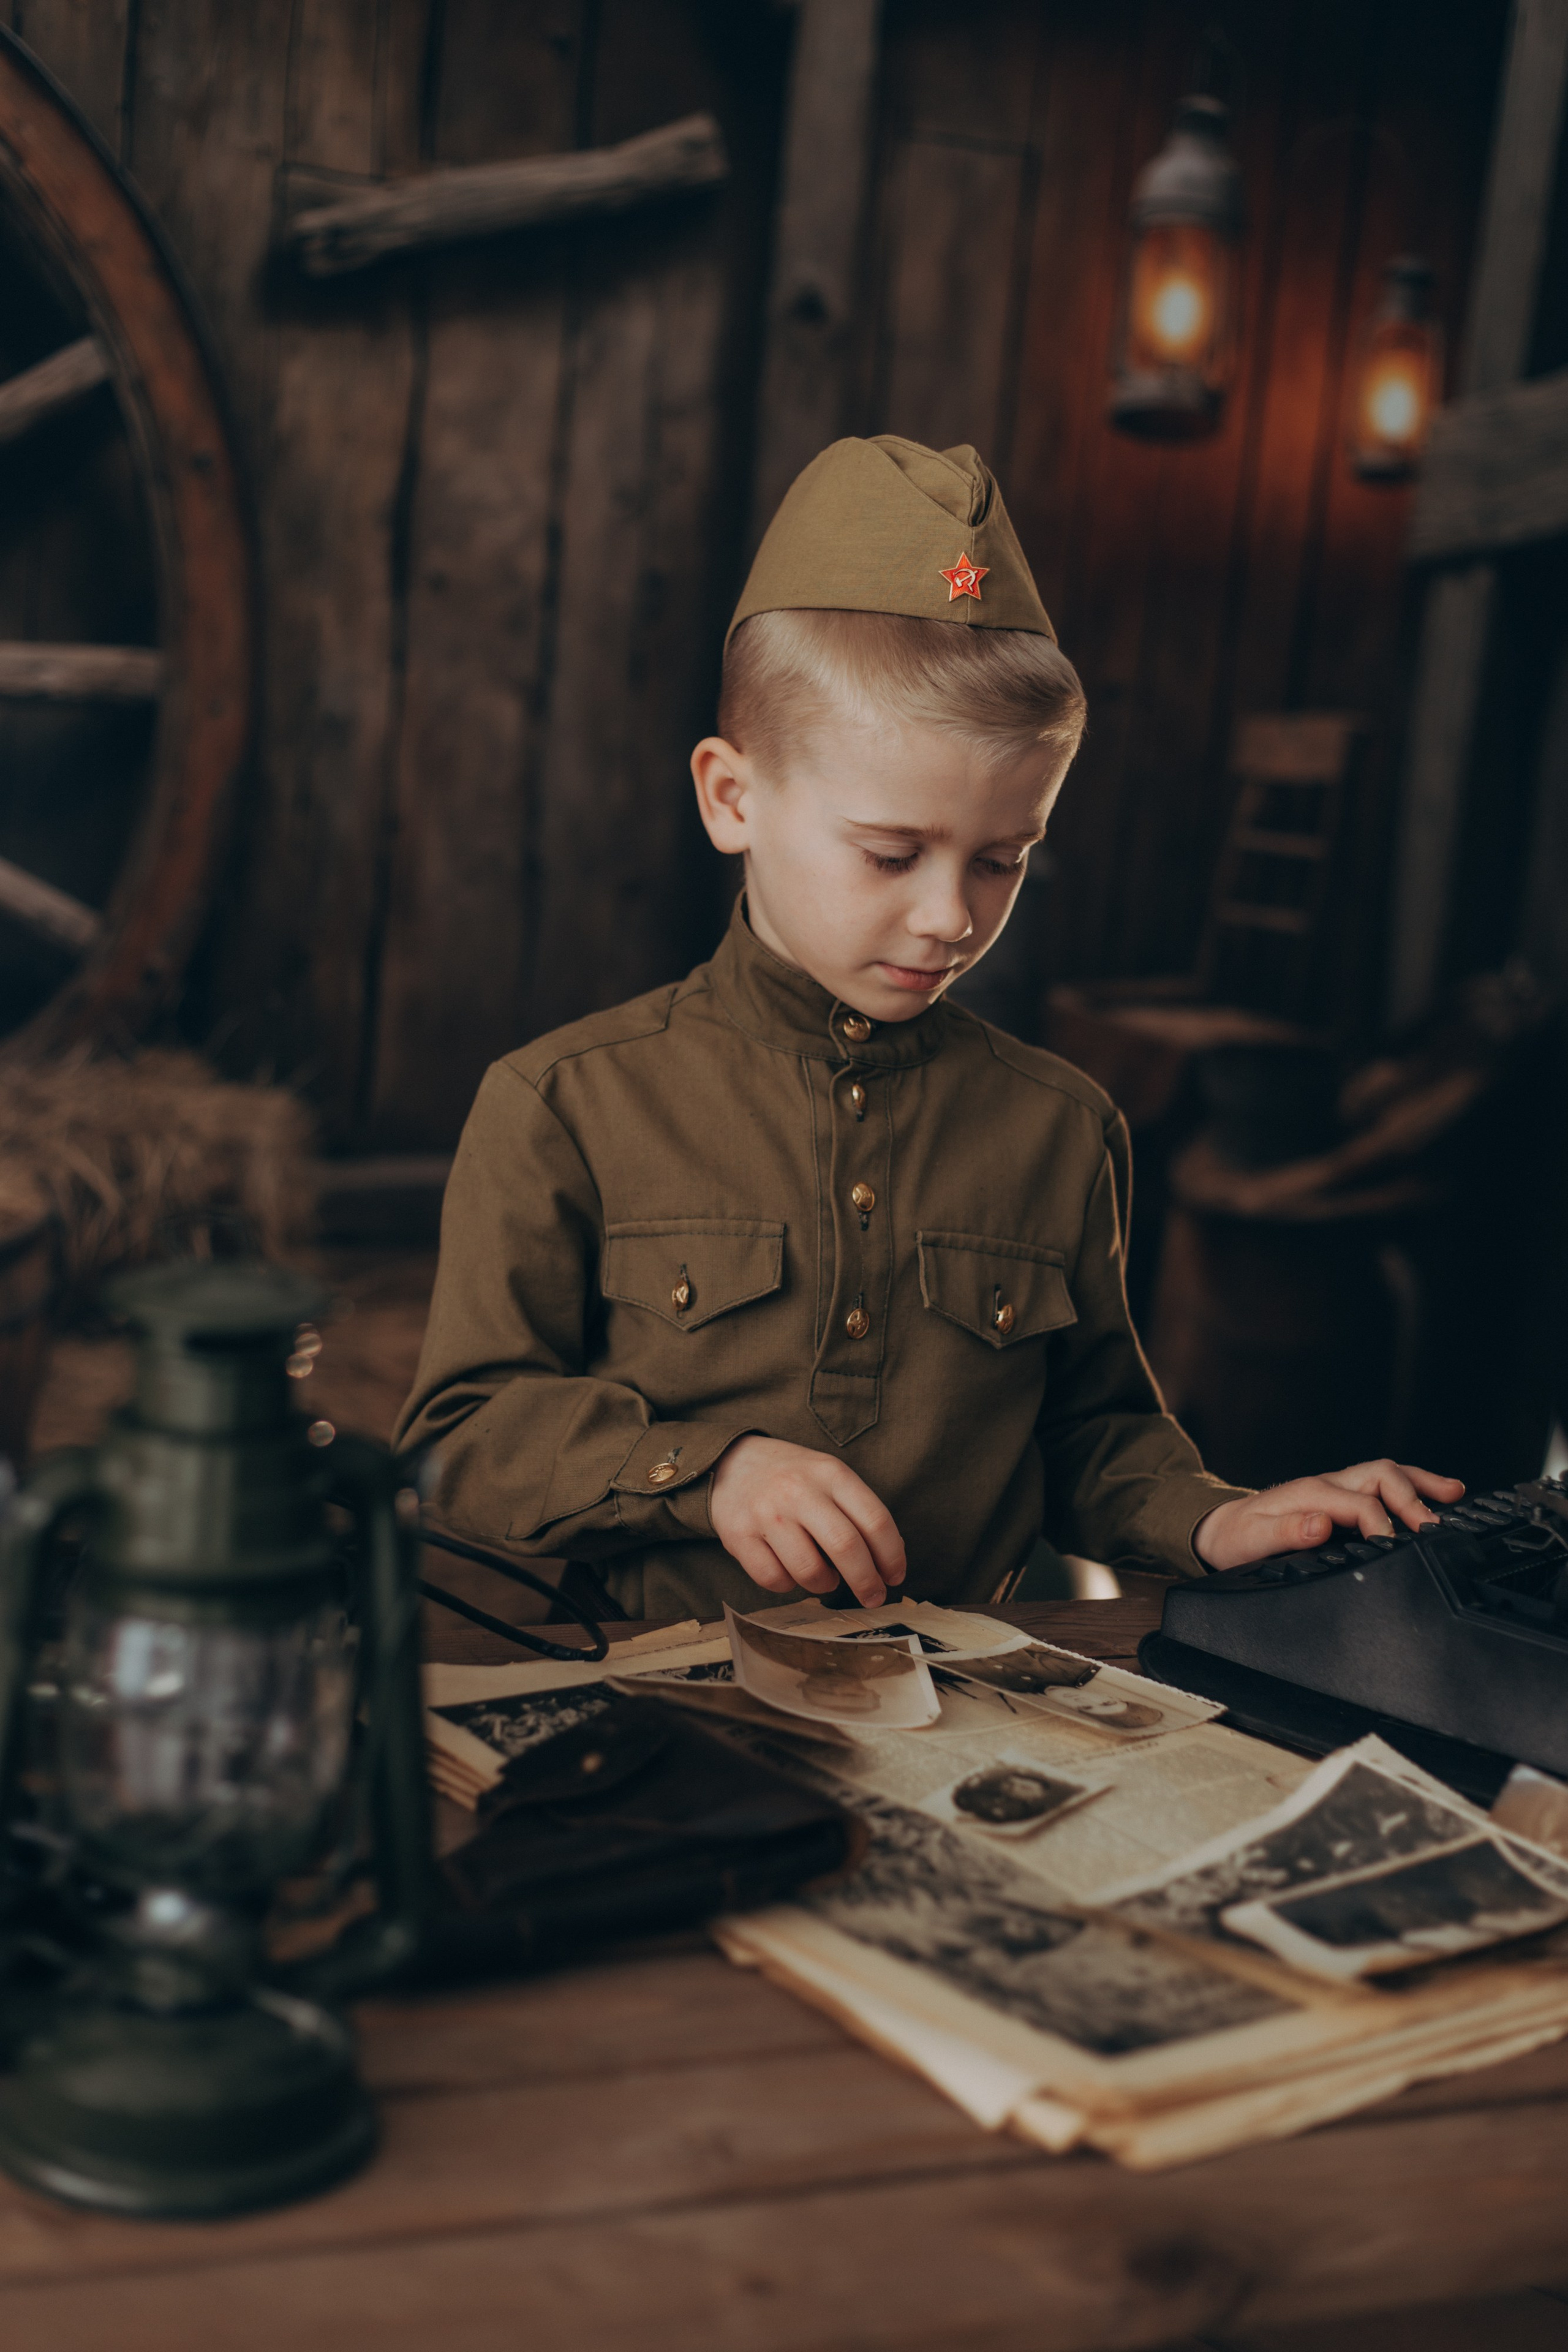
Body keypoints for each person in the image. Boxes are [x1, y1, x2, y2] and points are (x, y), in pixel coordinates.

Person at [395, 435, 1461, 1620]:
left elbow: (1092, 1436)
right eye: (891, 855)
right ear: (731, 797)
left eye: (1006, 861)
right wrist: (707, 1472)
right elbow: (462, 1434)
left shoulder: (1063, 1129)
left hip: (968, 1721)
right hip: (661, 1725)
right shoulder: (563, 1105)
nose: (951, 916)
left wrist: (1218, 1517)